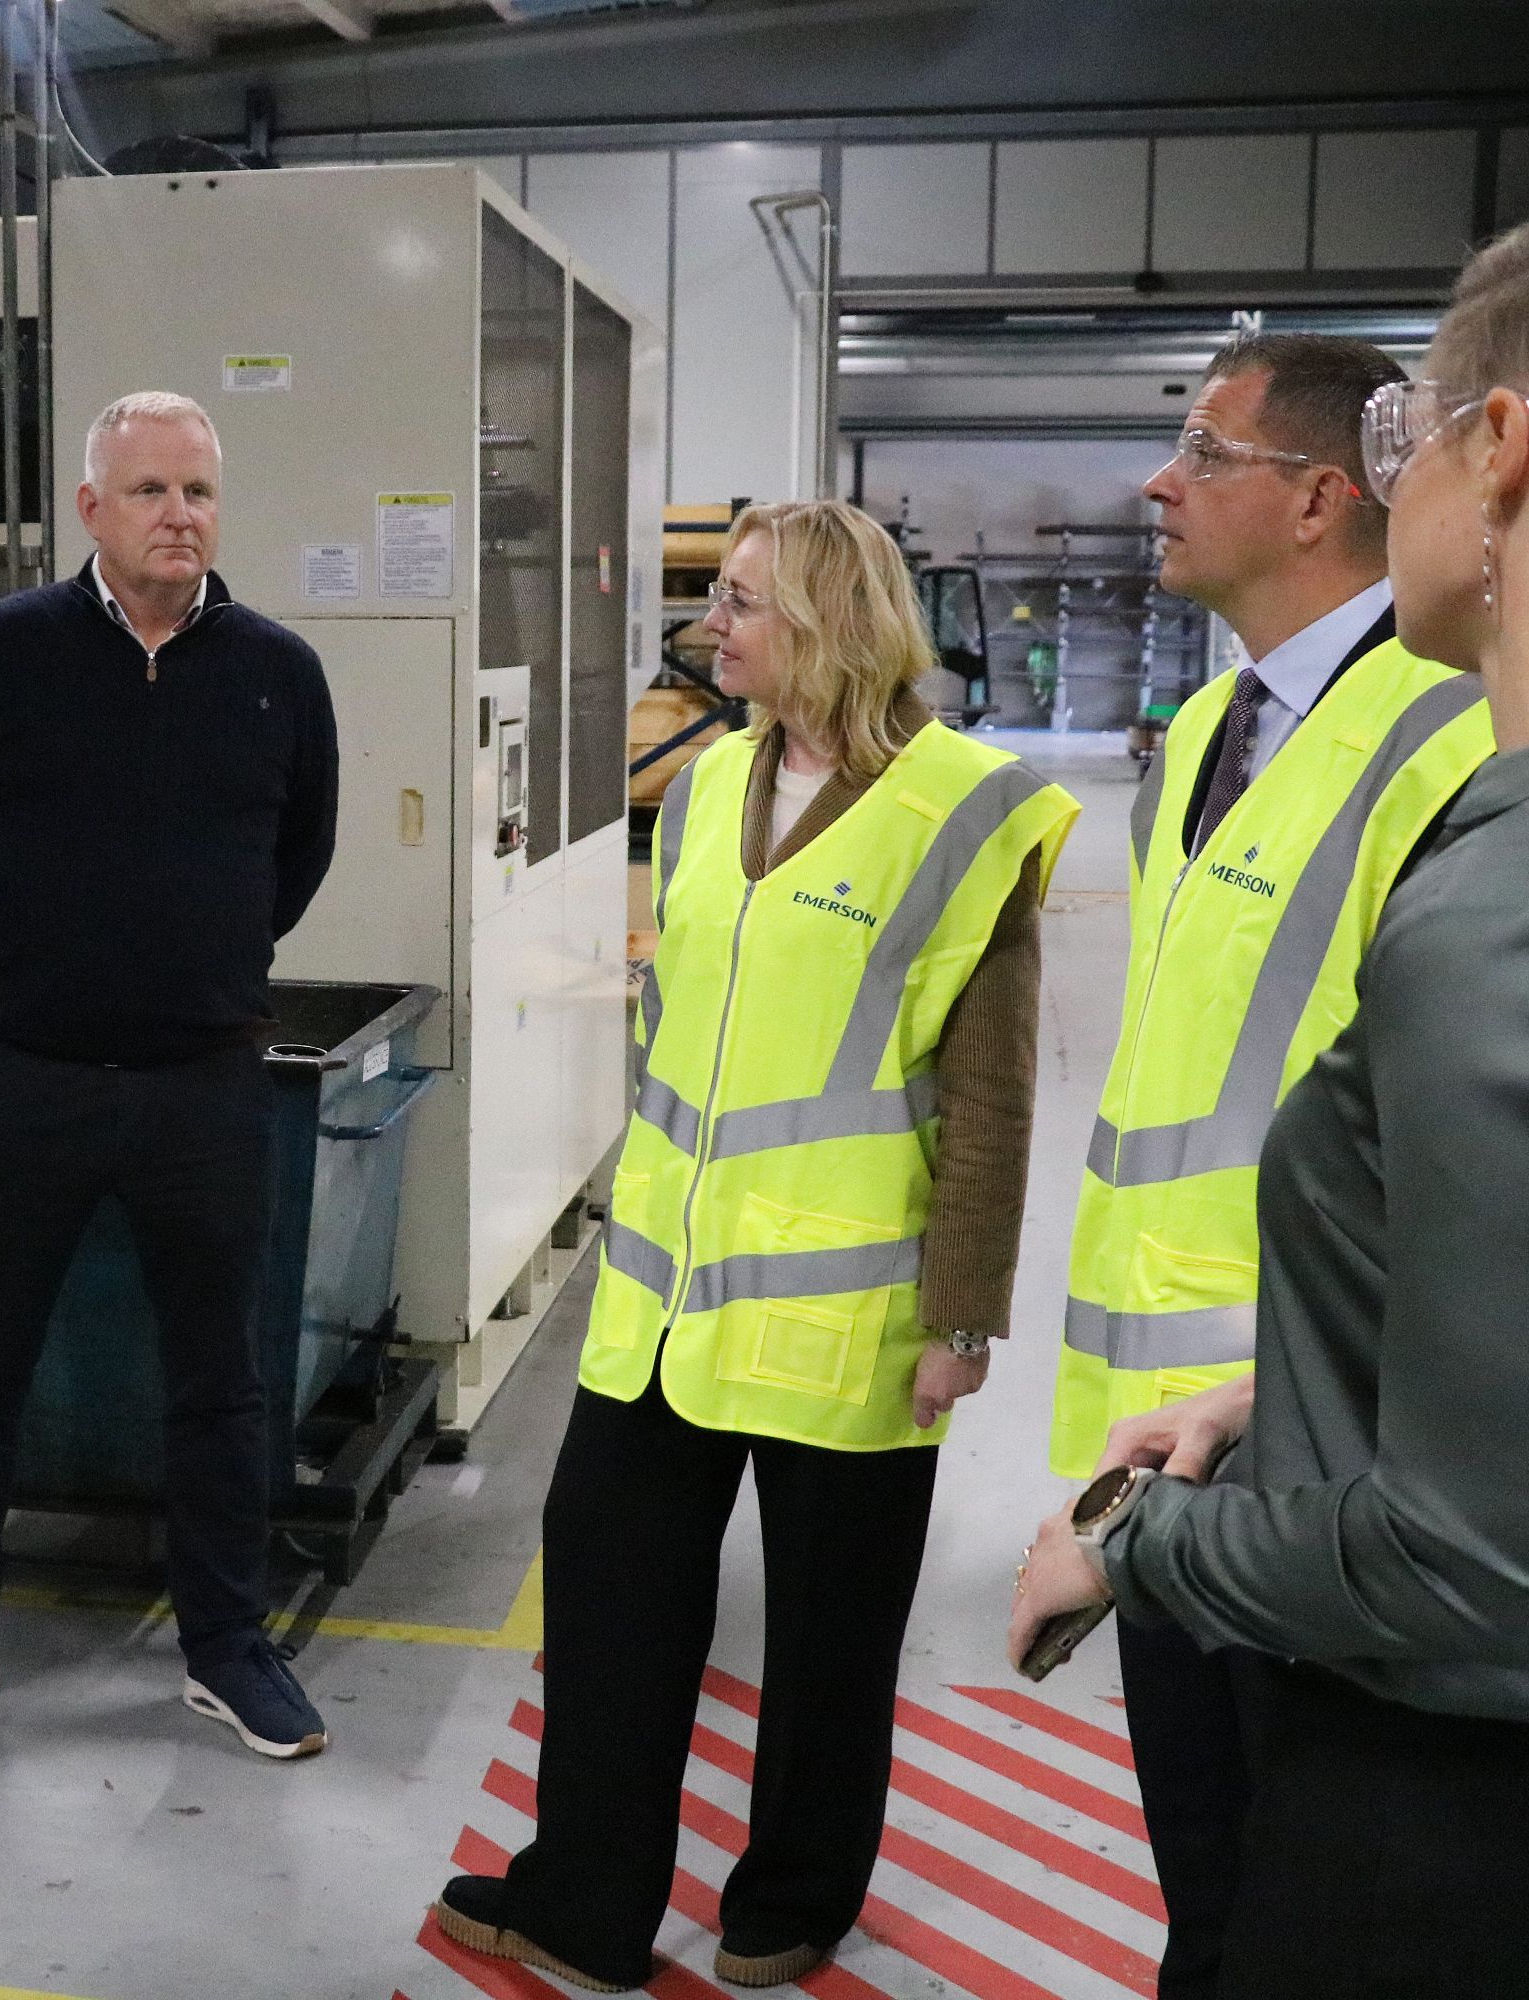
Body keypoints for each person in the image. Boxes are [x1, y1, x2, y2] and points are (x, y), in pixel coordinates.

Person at [1010, 196, 1529, 2000]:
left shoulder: (1512, 917)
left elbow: (1471, 1567)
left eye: (1412, 440)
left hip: (1457, 1835)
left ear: (1508, 454)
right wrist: (1286, 1397)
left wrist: (1132, 1546)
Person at [435, 501, 1079, 1993]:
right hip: (666, 1296)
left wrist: (961, 1319)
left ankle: (788, 1900)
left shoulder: (968, 812)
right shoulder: (711, 778)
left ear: (830, 625)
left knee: (833, 1637)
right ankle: (586, 1903)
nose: (707, 626)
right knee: (610, 1601)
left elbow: (990, 1093)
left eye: (738, 602)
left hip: (852, 1312)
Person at [1054, 333, 1494, 1999]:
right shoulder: (1208, 728)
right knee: (1208, 1856)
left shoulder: (1447, 738)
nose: (1158, 483)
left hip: (1320, 1431)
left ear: (1318, 499)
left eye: (1202, 452)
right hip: (1168, 1420)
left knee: (1304, 1878)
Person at [0, 390, 339, 1760]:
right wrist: (22, 942)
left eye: (199, 491)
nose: (180, 516)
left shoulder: (278, 671)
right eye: (150, 491)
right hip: (29, 1074)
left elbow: (298, 854)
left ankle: (228, 1646)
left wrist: (204, 954)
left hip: (205, 1081)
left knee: (221, 1378)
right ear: (90, 507)